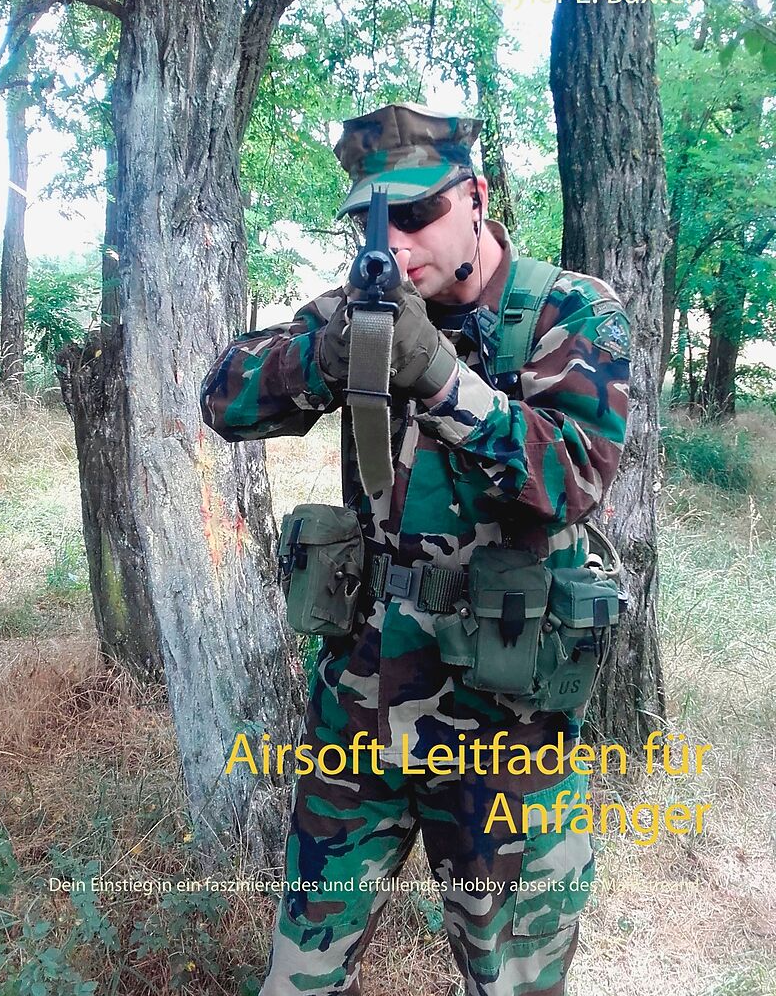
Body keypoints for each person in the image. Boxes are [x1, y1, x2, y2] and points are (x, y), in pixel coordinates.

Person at [200, 101, 631, 995]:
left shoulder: (570, 311)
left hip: (503, 729)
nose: (395, 240)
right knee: (299, 973)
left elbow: (573, 476)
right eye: (372, 219)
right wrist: (329, 356)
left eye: (417, 211)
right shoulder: (364, 306)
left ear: (477, 197)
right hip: (360, 706)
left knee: (514, 980)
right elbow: (223, 398)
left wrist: (439, 376)